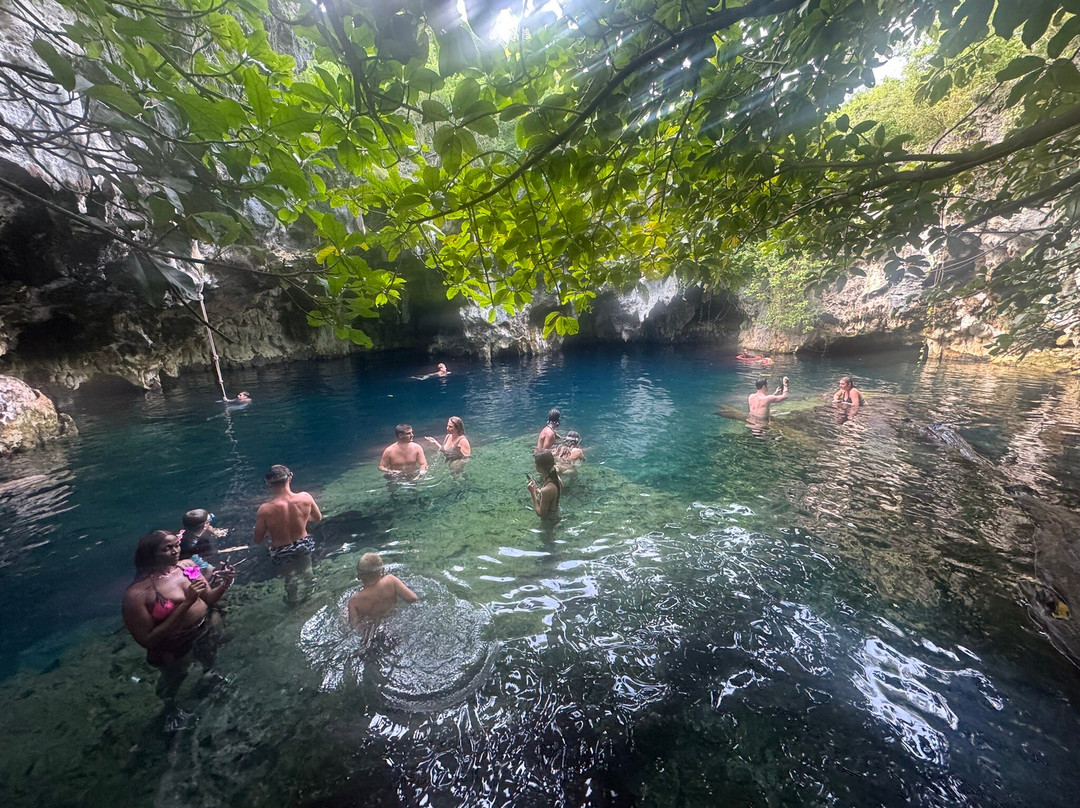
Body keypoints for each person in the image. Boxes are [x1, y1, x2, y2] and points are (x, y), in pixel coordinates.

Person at [121, 530, 236, 718]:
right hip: (173, 645)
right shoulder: (137, 595)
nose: (176, 551)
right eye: (168, 548)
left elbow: (208, 598)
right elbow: (147, 640)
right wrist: (186, 603)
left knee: (208, 656)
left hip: (202, 629)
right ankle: (170, 710)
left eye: (176, 545)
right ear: (151, 555)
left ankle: (210, 678)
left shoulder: (187, 567)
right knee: (176, 678)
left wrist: (225, 583)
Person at [253, 464, 323, 605]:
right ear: (289, 479)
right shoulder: (305, 497)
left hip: (281, 548)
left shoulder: (265, 509)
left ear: (268, 484)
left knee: (290, 578)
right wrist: (301, 520)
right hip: (303, 542)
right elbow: (317, 518)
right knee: (307, 571)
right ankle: (311, 598)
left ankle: (293, 601)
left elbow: (258, 539)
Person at [347, 552, 418, 630]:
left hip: (371, 631)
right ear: (383, 571)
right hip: (391, 626)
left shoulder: (354, 600)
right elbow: (413, 598)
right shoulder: (391, 580)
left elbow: (354, 626)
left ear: (359, 577)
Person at [178, 508, 227, 578]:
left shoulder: (184, 535)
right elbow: (208, 562)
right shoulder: (196, 545)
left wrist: (212, 531)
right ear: (204, 526)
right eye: (210, 520)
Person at [527, 450, 562, 520]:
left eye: (536, 464)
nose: (535, 466)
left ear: (539, 467)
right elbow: (554, 495)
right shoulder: (556, 478)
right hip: (556, 513)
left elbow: (540, 513)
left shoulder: (546, 489)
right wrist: (538, 490)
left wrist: (533, 493)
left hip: (549, 520)